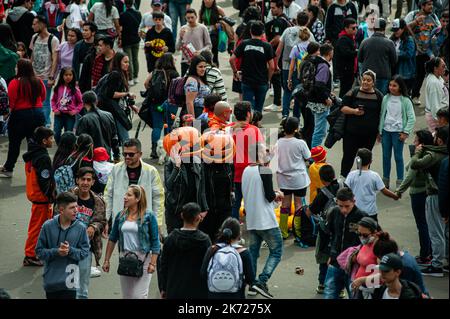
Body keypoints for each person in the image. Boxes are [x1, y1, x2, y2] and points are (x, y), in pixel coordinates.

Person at [242, 143, 284, 299]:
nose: (267, 153)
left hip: (252, 219)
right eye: (264, 151)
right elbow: (269, 196)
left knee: (253, 252)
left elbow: (256, 191)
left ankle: (252, 285)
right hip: (266, 220)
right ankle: (262, 280)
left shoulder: (246, 170)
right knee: (277, 251)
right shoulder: (264, 170)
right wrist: (277, 194)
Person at [102, 185, 160, 299]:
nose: (125, 197)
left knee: (139, 296)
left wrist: (153, 263)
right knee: (128, 296)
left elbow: (155, 241)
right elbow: (113, 238)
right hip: (126, 258)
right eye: (125, 194)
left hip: (143, 258)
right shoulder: (121, 215)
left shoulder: (149, 216)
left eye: (129, 195)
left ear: (137, 199)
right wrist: (106, 260)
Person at [35, 192, 90, 299]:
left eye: (76, 207)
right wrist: (56, 252)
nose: (76, 210)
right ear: (61, 209)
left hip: (70, 283)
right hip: (51, 281)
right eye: (72, 208)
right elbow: (39, 252)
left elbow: (84, 252)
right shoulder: (48, 226)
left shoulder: (81, 228)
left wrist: (70, 251)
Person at [104, 138, 164, 235]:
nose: (127, 157)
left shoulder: (151, 171)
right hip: (122, 222)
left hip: (144, 222)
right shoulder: (116, 169)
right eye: (124, 154)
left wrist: (157, 223)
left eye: (131, 154)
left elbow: (158, 198)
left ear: (140, 154)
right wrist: (106, 220)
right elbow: (108, 195)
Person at [410, 125, 449, 277]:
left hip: (435, 195)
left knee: (436, 231)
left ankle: (437, 264)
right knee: (445, 232)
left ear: (439, 140)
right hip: (444, 197)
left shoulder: (434, 155)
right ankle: (445, 261)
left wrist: (417, 153)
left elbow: (415, 164)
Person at [0, 59, 46, 178]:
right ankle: (37, 169)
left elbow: (12, 102)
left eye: (16, 66)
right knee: (36, 143)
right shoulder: (38, 81)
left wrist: (7, 115)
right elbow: (43, 97)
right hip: (38, 114)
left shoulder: (15, 83)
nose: (15, 68)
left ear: (20, 69)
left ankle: (9, 168)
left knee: (14, 144)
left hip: (20, 116)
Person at [396, 130, 434, 266]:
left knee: (422, 224)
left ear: (421, 143)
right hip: (427, 191)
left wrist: (399, 191)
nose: (414, 142)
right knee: (428, 224)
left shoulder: (420, 157)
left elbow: (410, 172)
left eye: (416, 140)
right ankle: (429, 251)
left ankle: (425, 254)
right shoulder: (431, 154)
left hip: (418, 193)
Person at [160, 202, 212, 299]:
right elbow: (209, 266)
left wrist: (163, 287)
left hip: (174, 289)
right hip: (198, 290)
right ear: (198, 218)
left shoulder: (171, 239)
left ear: (181, 215)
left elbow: (164, 265)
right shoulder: (204, 240)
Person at [324, 187, 368, 299]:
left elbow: (373, 239)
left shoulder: (362, 216)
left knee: (354, 295)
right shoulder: (334, 212)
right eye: (340, 206)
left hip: (354, 264)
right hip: (335, 261)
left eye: (347, 206)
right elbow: (330, 234)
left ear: (354, 201)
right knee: (329, 294)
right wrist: (330, 254)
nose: (343, 210)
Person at [339, 70, 384, 178]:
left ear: (373, 82)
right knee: (348, 156)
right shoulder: (353, 92)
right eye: (363, 80)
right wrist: (354, 111)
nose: (365, 82)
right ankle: (343, 178)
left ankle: (361, 177)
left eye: (369, 80)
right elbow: (342, 107)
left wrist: (379, 132)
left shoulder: (378, 96)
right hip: (351, 132)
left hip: (369, 134)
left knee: (364, 158)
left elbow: (382, 114)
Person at [163, 127, 208, 233]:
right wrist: (177, 167)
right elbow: (169, 185)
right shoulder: (170, 164)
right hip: (175, 210)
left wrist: (204, 208)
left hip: (192, 210)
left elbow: (201, 186)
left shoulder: (197, 163)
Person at [21, 127, 55, 266]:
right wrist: (51, 196)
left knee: (37, 226)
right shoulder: (43, 158)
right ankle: (30, 255)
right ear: (44, 141)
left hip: (34, 195)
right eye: (51, 138)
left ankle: (36, 251)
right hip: (41, 198)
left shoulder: (33, 153)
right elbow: (44, 180)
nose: (53, 141)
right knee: (37, 228)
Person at [71, 167, 106, 298]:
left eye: (88, 180)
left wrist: (93, 226)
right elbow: (57, 216)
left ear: (93, 182)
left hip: (86, 248)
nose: (85, 182)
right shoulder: (68, 197)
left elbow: (102, 221)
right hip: (68, 247)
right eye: (82, 179)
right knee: (68, 286)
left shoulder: (98, 201)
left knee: (82, 289)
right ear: (77, 180)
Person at [308, 164, 343, 294]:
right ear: (334, 175)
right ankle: (340, 288)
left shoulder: (323, 193)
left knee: (324, 256)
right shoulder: (343, 186)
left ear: (322, 179)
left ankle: (322, 284)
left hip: (326, 231)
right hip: (342, 229)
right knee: (340, 257)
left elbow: (311, 211)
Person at [201, 217, 255, 299]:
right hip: (236, 295)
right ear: (239, 234)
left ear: (221, 232)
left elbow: (203, 273)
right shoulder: (244, 252)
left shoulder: (212, 249)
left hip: (213, 295)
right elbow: (250, 278)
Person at [275, 117, 311, 240]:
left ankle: (283, 232)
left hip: (283, 179)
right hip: (299, 179)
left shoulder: (278, 142)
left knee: (284, 204)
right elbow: (308, 157)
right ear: (296, 129)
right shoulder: (300, 143)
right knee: (298, 204)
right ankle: (298, 232)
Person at [378, 75, 416, 189]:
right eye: (390, 85)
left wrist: (405, 132)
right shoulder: (386, 98)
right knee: (385, 156)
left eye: (394, 85)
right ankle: (385, 180)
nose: (391, 87)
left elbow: (412, 118)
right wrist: (379, 131)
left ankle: (400, 181)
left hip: (398, 133)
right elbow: (382, 115)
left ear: (400, 87)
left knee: (398, 157)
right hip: (386, 131)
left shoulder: (405, 100)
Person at [230, 102, 265, 221]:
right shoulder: (254, 130)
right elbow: (261, 152)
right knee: (252, 202)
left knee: (235, 202)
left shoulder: (229, 129)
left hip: (234, 172)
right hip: (251, 172)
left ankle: (233, 231)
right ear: (249, 114)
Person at [230, 21, 275, 113]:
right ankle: (257, 123)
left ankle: (249, 124)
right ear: (263, 33)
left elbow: (231, 59)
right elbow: (272, 66)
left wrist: (235, 72)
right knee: (259, 107)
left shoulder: (244, 43)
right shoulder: (267, 46)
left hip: (247, 81)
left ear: (250, 31)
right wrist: (268, 79)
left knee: (248, 108)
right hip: (262, 81)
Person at [345, 148, 399, 220]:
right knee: (371, 229)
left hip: (354, 211)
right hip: (370, 212)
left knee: (354, 229)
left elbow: (345, 190)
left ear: (357, 160)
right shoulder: (374, 176)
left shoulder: (351, 175)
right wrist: (395, 196)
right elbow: (384, 190)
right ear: (371, 161)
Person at [200, 129, 234, 242]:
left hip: (224, 209)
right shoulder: (202, 167)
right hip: (207, 211)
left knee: (222, 241)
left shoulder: (228, 165)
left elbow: (231, 185)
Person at [143, 53, 179, 158]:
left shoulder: (155, 72)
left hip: (156, 102)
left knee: (157, 126)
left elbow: (146, 83)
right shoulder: (174, 74)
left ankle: (154, 149)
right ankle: (168, 148)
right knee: (169, 126)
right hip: (171, 103)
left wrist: (152, 91)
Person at [405, 0, 441, 105]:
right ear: (422, 6)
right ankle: (412, 94)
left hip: (429, 51)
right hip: (415, 52)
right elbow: (403, 28)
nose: (431, 7)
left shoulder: (433, 17)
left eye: (432, 4)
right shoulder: (412, 15)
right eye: (429, 5)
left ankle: (425, 97)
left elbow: (439, 29)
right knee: (416, 74)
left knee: (429, 75)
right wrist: (416, 22)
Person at [30, 15, 61, 128]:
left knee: (45, 101)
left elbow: (55, 60)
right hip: (33, 75)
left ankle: (46, 124)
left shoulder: (53, 39)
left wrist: (51, 77)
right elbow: (32, 56)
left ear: (42, 24)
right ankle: (36, 123)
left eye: (35, 24)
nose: (33, 26)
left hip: (45, 76)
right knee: (33, 100)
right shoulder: (34, 37)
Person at [100, 52, 137, 144]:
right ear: (118, 62)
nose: (127, 64)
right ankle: (128, 154)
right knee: (124, 136)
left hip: (116, 109)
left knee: (118, 136)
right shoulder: (116, 75)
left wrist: (132, 106)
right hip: (114, 110)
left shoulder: (122, 74)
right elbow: (111, 94)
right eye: (125, 62)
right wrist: (127, 93)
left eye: (128, 62)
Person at [264, 0, 292, 112]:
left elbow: (277, 38)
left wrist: (267, 46)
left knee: (276, 77)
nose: (272, 10)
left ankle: (277, 103)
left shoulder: (279, 22)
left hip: (278, 54)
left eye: (274, 8)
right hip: (283, 53)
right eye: (271, 8)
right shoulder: (285, 19)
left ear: (280, 8)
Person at [76, 91, 120, 162]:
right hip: (107, 156)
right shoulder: (109, 115)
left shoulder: (84, 120)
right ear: (96, 101)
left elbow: (81, 142)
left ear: (83, 103)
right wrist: (116, 155)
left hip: (92, 159)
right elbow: (114, 138)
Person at [358, 18, 397, 94]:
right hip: (383, 75)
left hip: (367, 76)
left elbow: (360, 58)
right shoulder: (389, 43)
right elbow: (394, 61)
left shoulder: (365, 41)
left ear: (373, 28)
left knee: (367, 97)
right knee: (380, 99)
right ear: (384, 28)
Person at [306, 43, 334, 148]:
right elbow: (319, 85)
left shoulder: (315, 62)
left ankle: (314, 154)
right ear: (330, 53)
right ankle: (315, 158)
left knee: (318, 129)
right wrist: (326, 98)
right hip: (320, 103)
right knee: (320, 132)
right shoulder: (324, 66)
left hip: (312, 100)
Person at [176, 8, 212, 76]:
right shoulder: (183, 29)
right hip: (186, 61)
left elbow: (209, 45)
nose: (190, 20)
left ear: (196, 17)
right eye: (188, 18)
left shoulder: (202, 28)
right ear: (185, 18)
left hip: (199, 62)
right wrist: (180, 37)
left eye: (192, 17)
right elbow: (177, 48)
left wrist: (200, 51)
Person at [51, 67, 83, 144]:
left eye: (70, 75)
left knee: (68, 134)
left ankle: (66, 148)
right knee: (56, 133)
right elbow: (53, 100)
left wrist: (75, 111)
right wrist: (55, 109)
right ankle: (60, 145)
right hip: (59, 115)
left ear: (73, 76)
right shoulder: (58, 88)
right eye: (66, 75)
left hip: (70, 116)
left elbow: (81, 103)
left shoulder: (76, 90)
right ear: (62, 76)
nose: (68, 77)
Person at [390, 19, 417, 94]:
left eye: (397, 30)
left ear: (403, 29)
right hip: (395, 71)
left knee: (405, 94)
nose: (395, 32)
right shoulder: (392, 39)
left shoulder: (409, 40)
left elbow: (409, 54)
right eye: (394, 30)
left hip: (406, 73)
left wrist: (394, 53)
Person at [119, 0, 142, 86]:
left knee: (129, 59)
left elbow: (120, 26)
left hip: (126, 39)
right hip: (136, 38)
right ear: (133, 3)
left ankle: (130, 78)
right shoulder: (138, 13)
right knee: (135, 58)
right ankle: (136, 77)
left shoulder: (123, 15)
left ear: (125, 4)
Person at [424, 57, 448, 132]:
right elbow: (435, 106)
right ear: (435, 68)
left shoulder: (437, 77)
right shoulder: (434, 83)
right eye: (443, 66)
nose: (445, 68)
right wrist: (441, 121)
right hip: (438, 118)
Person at [334, 18, 357, 98]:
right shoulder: (343, 39)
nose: (355, 30)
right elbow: (346, 53)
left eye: (356, 27)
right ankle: (341, 107)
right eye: (353, 28)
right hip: (345, 71)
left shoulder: (350, 38)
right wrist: (357, 52)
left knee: (347, 90)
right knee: (345, 91)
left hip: (349, 70)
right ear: (346, 28)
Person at [199, 0, 225, 66]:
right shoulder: (201, 10)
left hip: (215, 33)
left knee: (214, 53)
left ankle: (215, 69)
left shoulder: (218, 9)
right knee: (205, 53)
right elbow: (199, 22)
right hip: (205, 33)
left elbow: (226, 19)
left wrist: (219, 23)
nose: (207, 1)